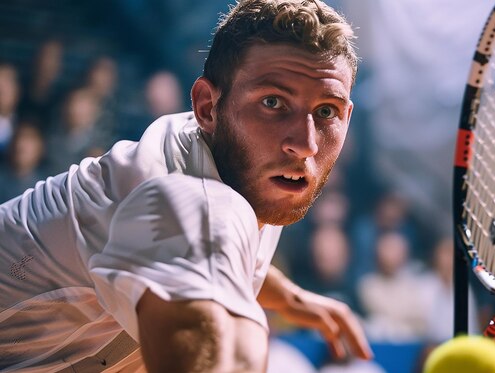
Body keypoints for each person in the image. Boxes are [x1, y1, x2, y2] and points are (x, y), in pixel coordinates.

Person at [0, 0, 373, 371]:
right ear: (207, 106)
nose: (305, 143)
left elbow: (211, 242)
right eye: (273, 102)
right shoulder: (190, 197)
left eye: (326, 111)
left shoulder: (239, 160)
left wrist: (286, 296)